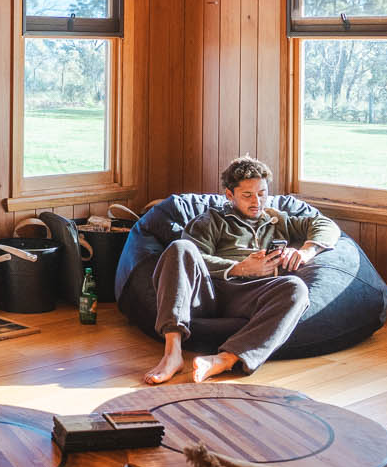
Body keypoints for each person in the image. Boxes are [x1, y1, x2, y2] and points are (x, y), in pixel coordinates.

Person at [141, 155, 339, 385]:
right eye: (247, 195)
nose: (257, 201)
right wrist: (240, 267)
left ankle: (226, 359)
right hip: (210, 292)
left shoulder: (278, 220)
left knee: (297, 289)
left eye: (262, 193)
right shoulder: (211, 221)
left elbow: (326, 224)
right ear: (229, 195)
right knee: (179, 248)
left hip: (250, 296)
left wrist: (306, 252)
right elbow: (192, 258)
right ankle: (172, 353)